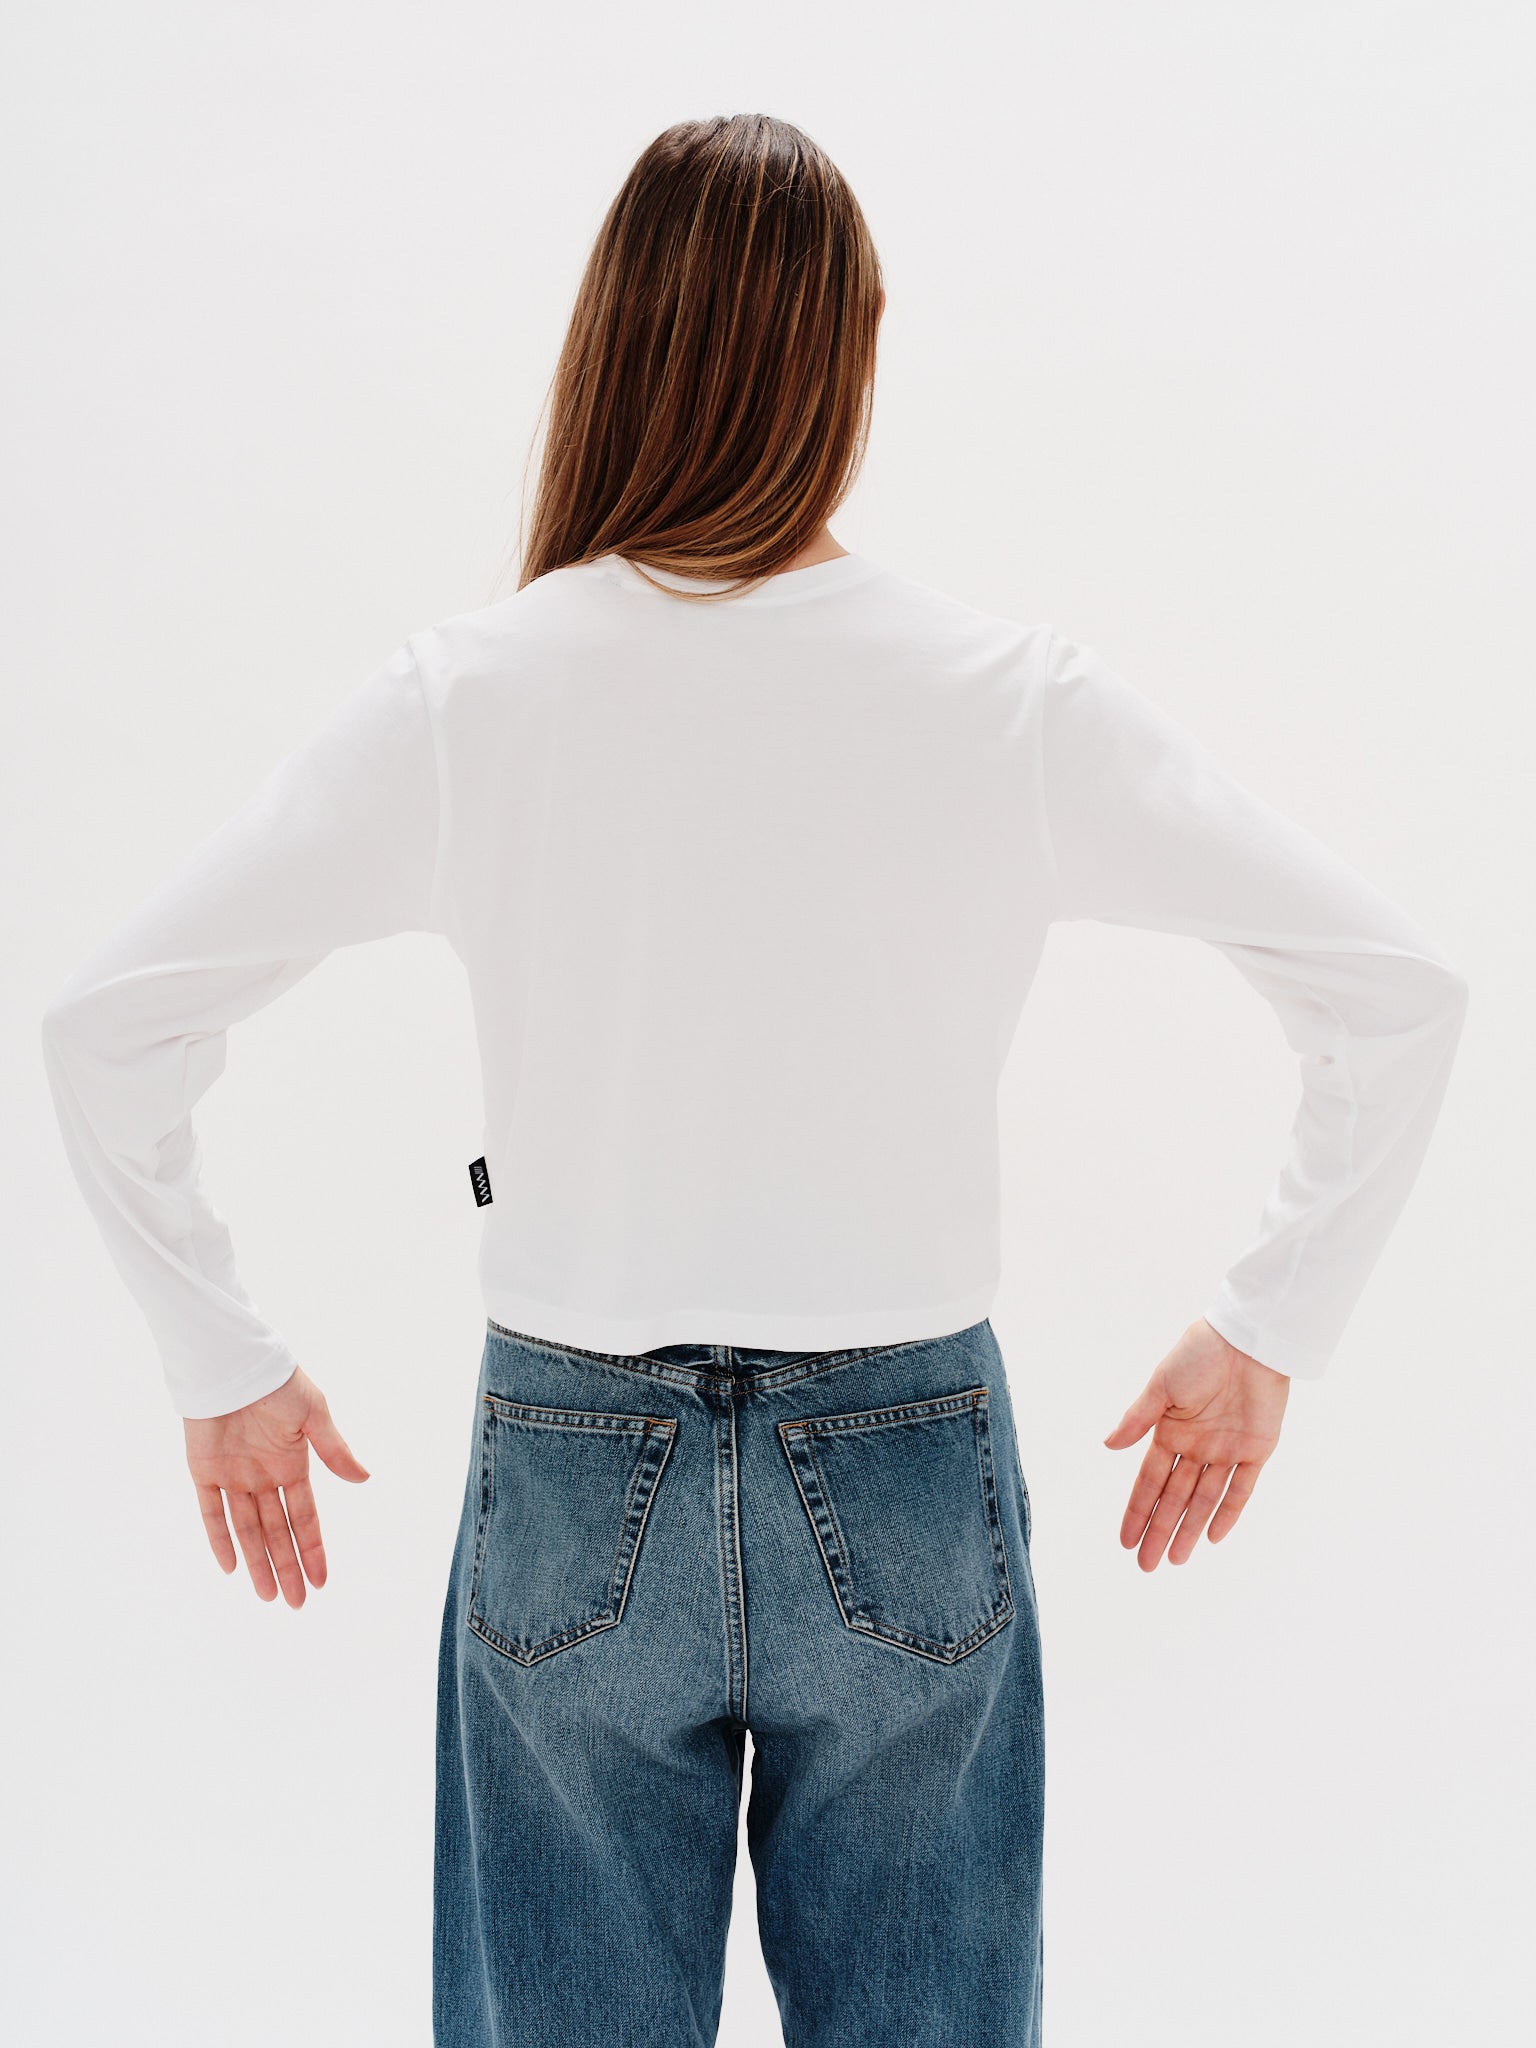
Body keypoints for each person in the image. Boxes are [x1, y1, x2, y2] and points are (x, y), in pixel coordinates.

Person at [40, 113, 1468, 2048]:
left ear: (614, 343)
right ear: (851, 360)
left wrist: (220, 1358)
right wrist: (1269, 1321)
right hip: (907, 1458)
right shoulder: (1004, 700)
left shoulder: (473, 698)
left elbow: (109, 1017)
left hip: (569, 1458)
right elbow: (1389, 986)